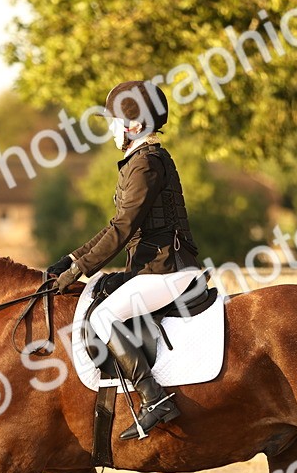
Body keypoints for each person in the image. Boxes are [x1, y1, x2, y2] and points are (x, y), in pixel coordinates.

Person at [48, 80, 201, 440]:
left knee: (104, 315)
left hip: (169, 269)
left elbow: (122, 227)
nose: (112, 129)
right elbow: (115, 227)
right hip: (154, 268)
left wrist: (78, 271)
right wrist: (70, 259)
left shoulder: (146, 164)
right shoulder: (139, 161)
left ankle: (154, 398)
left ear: (133, 126)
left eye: (115, 122)